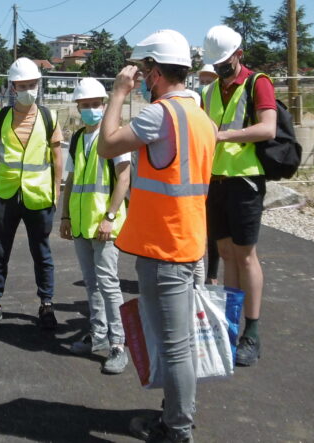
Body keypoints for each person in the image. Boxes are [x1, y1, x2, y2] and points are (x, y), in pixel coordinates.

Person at [99, 29, 215, 443]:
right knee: (177, 342)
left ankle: (177, 430)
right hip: (187, 242)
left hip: (164, 247)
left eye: (145, 70)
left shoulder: (160, 114)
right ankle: (174, 415)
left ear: (155, 72)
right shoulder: (200, 116)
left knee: (176, 347)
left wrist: (117, 94)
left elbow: (108, 145)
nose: (141, 78)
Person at [201, 25, 276, 368]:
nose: (220, 70)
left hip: (245, 181)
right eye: (215, 65)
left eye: (224, 63)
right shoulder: (211, 91)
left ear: (239, 54)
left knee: (246, 256)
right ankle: (230, 326)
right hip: (215, 181)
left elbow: (267, 128)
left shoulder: (257, 82)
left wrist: (226, 136)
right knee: (226, 253)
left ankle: (252, 331)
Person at [0, 57, 64, 331]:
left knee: (42, 253)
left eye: (32, 84)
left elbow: (57, 157)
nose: (28, 89)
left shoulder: (50, 117)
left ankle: (47, 304)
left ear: (38, 85)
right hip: (4, 195)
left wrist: (55, 192)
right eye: (22, 85)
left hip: (38, 197)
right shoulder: (1, 117)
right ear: (12, 87)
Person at [59, 77, 131, 375]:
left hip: (104, 224)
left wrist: (110, 216)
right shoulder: (77, 138)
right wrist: (64, 217)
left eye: (94, 105)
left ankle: (118, 343)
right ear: (78, 107)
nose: (90, 110)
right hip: (80, 223)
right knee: (92, 284)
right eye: (84, 105)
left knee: (109, 284)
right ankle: (98, 334)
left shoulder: (115, 135)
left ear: (104, 105)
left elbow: (124, 178)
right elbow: (73, 180)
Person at [194, 66, 221, 286]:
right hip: (201, 173)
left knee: (212, 230)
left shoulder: (222, 104)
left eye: (208, 81)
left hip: (219, 171)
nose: (204, 85)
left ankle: (210, 274)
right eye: (201, 81)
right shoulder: (199, 104)